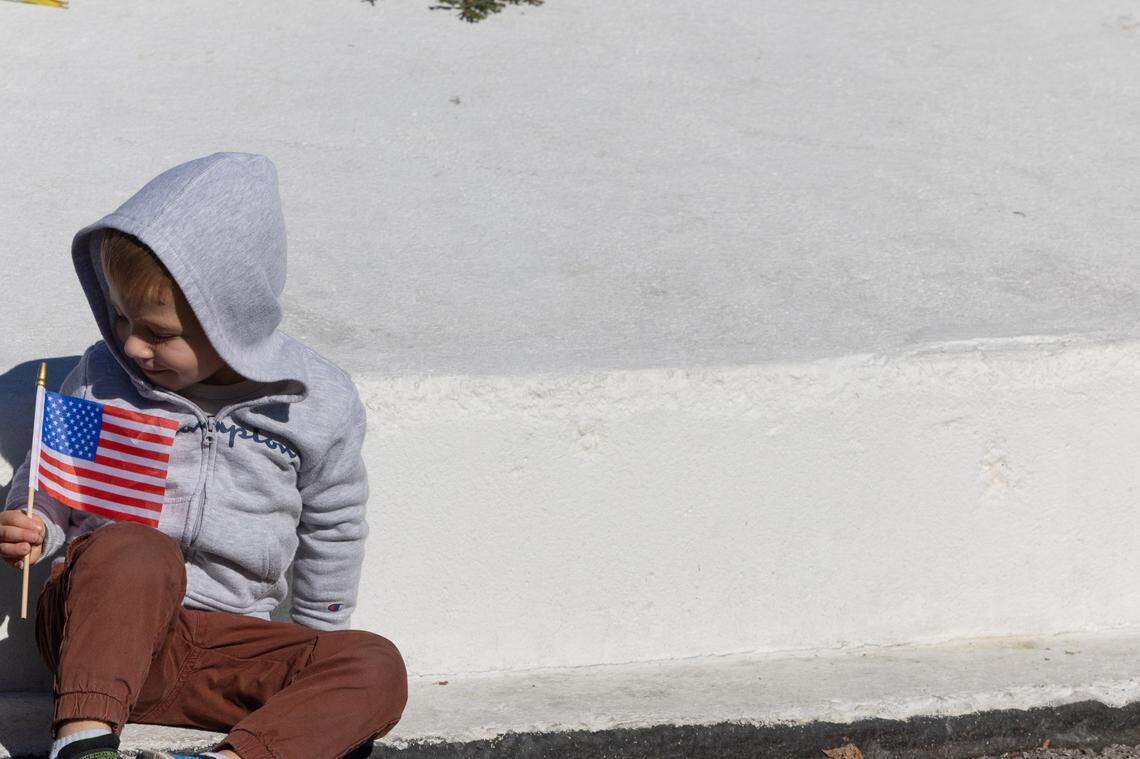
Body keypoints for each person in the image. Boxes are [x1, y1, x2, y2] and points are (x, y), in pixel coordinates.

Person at [0, 153, 408, 759]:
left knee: (376, 664)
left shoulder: (315, 402)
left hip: (221, 649)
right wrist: (34, 529)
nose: (133, 344)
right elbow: (53, 480)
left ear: (231, 319)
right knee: (138, 545)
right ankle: (83, 740)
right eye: (119, 317)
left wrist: (314, 644)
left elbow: (334, 526)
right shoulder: (101, 378)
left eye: (158, 332)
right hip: (99, 632)